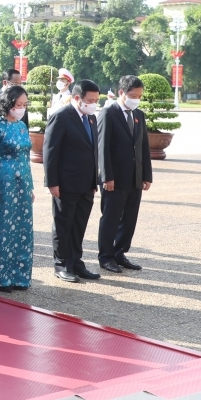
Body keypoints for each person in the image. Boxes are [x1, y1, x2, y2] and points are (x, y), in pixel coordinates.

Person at [44, 79, 102, 283]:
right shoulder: (61, 117)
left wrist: (95, 181)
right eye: (90, 100)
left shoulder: (92, 118)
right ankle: (61, 264)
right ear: (77, 98)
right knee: (63, 224)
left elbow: (93, 150)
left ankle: (76, 262)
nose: (94, 103)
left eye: (96, 100)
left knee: (79, 224)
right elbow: (50, 151)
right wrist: (52, 182)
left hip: (86, 183)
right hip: (65, 183)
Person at [0, 85, 34, 292]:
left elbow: (27, 157)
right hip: (4, 180)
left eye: (24, 105)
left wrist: (30, 186)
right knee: (4, 228)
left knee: (22, 229)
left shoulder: (21, 126)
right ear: (7, 104)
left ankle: (19, 276)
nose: (21, 108)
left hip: (23, 182)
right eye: (17, 104)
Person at [97, 75, 153, 274]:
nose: (136, 99)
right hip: (115, 178)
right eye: (132, 95)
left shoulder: (139, 114)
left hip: (135, 177)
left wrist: (147, 175)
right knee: (111, 217)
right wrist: (106, 177)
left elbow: (143, 147)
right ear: (121, 93)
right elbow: (102, 148)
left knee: (129, 218)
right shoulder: (107, 113)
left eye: (139, 96)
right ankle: (106, 256)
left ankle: (120, 252)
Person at [0, 70, 30, 139]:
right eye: (15, 84)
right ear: (5, 83)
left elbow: (25, 125)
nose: (18, 87)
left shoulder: (22, 99)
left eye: (20, 84)